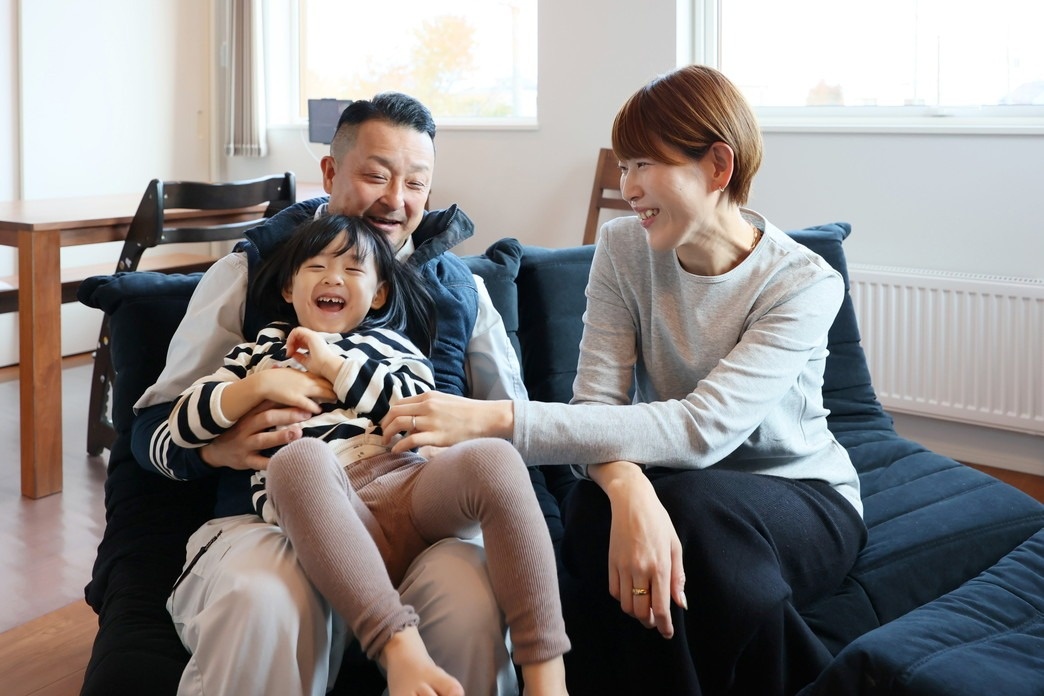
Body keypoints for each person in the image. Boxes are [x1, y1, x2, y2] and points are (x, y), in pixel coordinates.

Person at [380, 64, 868, 696]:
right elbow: (597, 403)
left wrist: (495, 418)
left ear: (718, 167)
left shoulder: (802, 283)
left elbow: (702, 428)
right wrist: (630, 488)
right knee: (591, 510)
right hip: (676, 482)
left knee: (687, 515)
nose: (627, 186)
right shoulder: (623, 248)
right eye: (624, 165)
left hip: (798, 494)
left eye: (645, 164)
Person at [132, 92, 530, 696]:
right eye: (376, 175)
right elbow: (152, 427)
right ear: (329, 172)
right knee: (264, 598)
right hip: (270, 524)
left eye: (416, 183)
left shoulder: (464, 291)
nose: (395, 200)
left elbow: (516, 430)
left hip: (422, 519)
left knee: (472, 599)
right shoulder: (253, 271)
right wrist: (213, 450)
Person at [166, 215, 570, 696]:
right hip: (326, 509)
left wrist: (333, 365)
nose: (334, 278)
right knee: (297, 460)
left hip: (408, 488)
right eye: (317, 266)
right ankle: (400, 649)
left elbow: (414, 411)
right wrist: (258, 386)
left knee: (494, 459)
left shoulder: (392, 345)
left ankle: (547, 678)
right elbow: (182, 423)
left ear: (378, 294)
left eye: (354, 269)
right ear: (289, 288)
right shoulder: (260, 351)